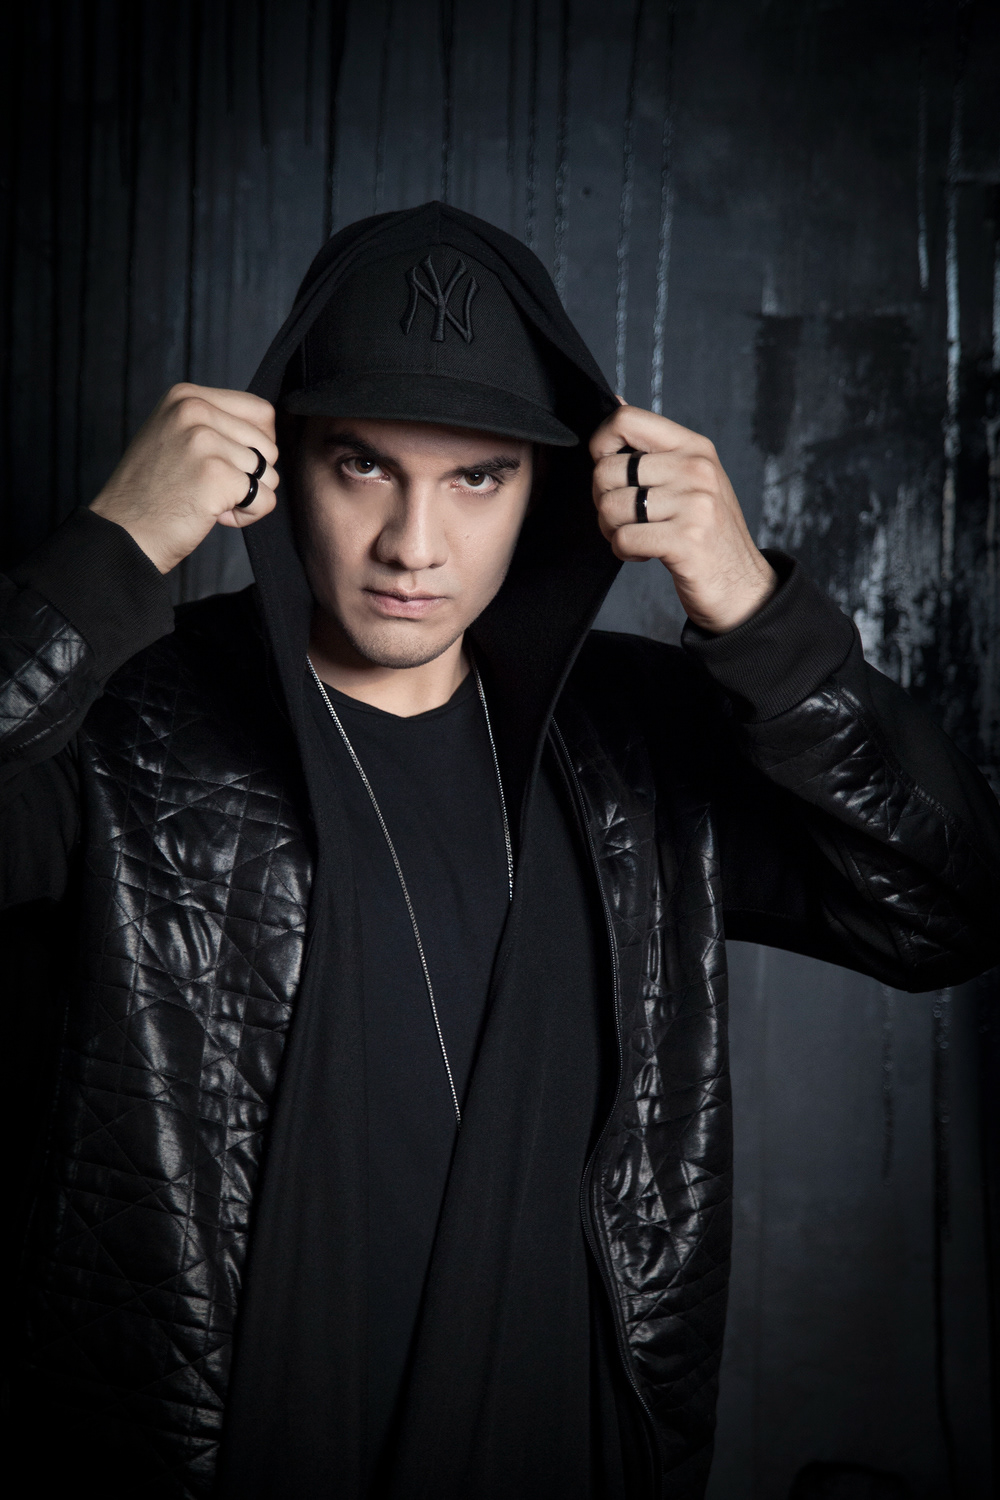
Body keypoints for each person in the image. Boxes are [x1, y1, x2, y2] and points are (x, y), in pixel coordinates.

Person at [4, 201, 998, 1500]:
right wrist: (106, 555)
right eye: (364, 466)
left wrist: (760, 614)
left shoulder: (642, 743)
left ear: (548, 493)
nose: (414, 546)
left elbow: (945, 911)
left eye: (476, 477)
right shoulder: (128, 731)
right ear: (278, 465)